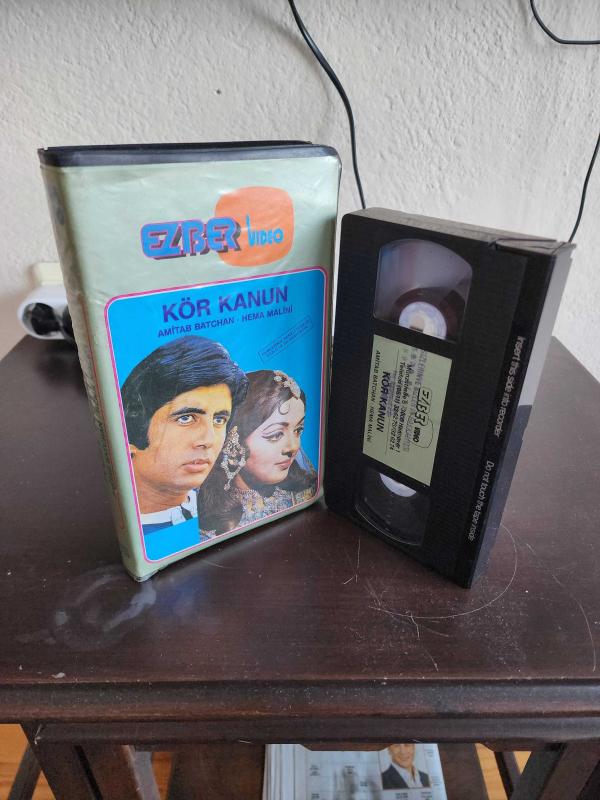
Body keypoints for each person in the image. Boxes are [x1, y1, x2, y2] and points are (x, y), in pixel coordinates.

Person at [121, 336, 248, 558]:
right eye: (186, 418)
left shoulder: (225, 508)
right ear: (133, 427)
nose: (208, 439)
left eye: (219, 420)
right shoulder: (132, 532)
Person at [199, 369, 317, 533]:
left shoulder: (305, 493)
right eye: (276, 435)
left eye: (298, 430)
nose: (293, 447)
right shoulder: (208, 522)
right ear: (234, 440)